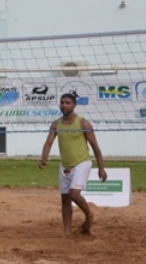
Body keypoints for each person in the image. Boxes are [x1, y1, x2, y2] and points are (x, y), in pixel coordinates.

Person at [39, 92, 107, 238]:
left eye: (67, 102)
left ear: (74, 105)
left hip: (81, 163)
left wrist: (101, 168)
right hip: (65, 165)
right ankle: (67, 232)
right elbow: (49, 142)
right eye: (62, 102)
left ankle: (89, 215)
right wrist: (44, 158)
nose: (64, 105)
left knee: (73, 194)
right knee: (65, 200)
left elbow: (95, 147)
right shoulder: (56, 123)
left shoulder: (83, 123)